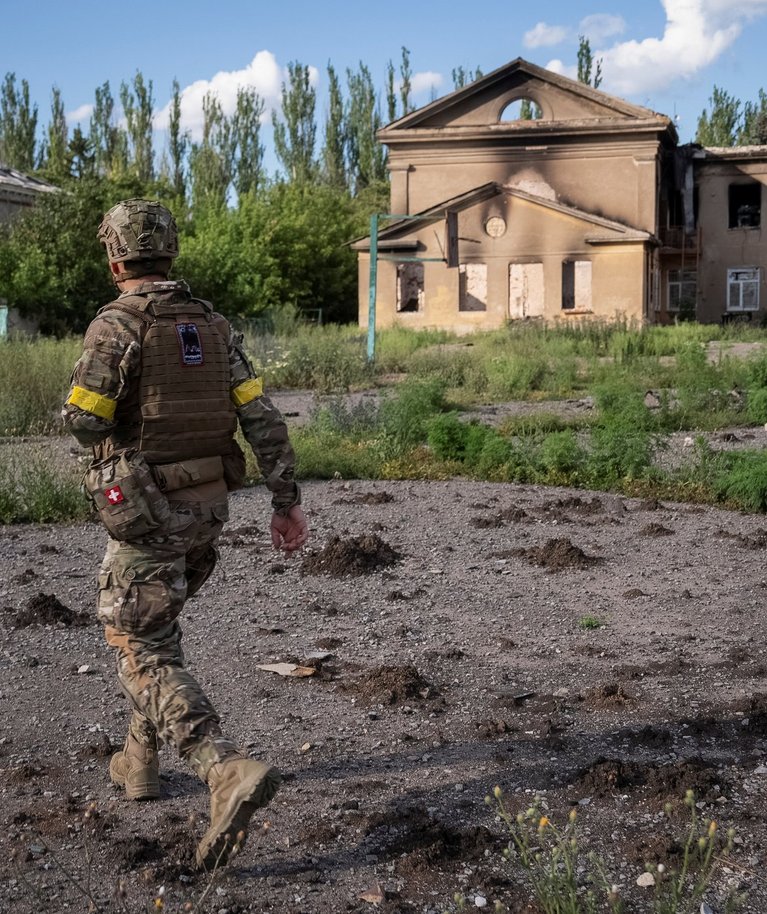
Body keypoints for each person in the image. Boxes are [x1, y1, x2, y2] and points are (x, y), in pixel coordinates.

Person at [62, 198, 308, 870]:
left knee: (136, 640)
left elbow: (84, 423)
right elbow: (260, 417)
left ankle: (220, 765)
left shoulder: (116, 325)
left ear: (114, 256)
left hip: (145, 511)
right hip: (207, 508)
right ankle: (138, 762)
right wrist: (284, 502)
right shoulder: (213, 325)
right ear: (170, 252)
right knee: (155, 626)